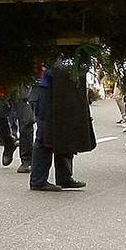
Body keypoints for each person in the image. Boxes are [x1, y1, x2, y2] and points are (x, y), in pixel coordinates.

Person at [28, 59, 94, 191]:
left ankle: (64, 177)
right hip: (46, 90)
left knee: (66, 130)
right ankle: (38, 180)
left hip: (64, 89)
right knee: (45, 134)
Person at [0, 84, 34, 172]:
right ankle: (9, 142)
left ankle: (27, 160)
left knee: (26, 121)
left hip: (23, 81)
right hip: (2, 79)